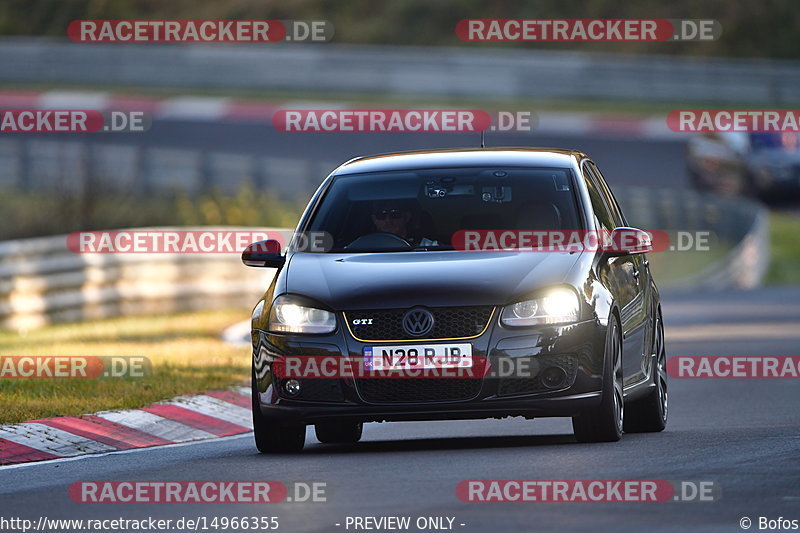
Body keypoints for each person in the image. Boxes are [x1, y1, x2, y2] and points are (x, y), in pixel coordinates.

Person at [370, 201, 438, 247]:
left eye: (395, 214)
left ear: (407, 217)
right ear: (374, 219)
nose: (388, 220)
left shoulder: (428, 246)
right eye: (381, 215)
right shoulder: (365, 248)